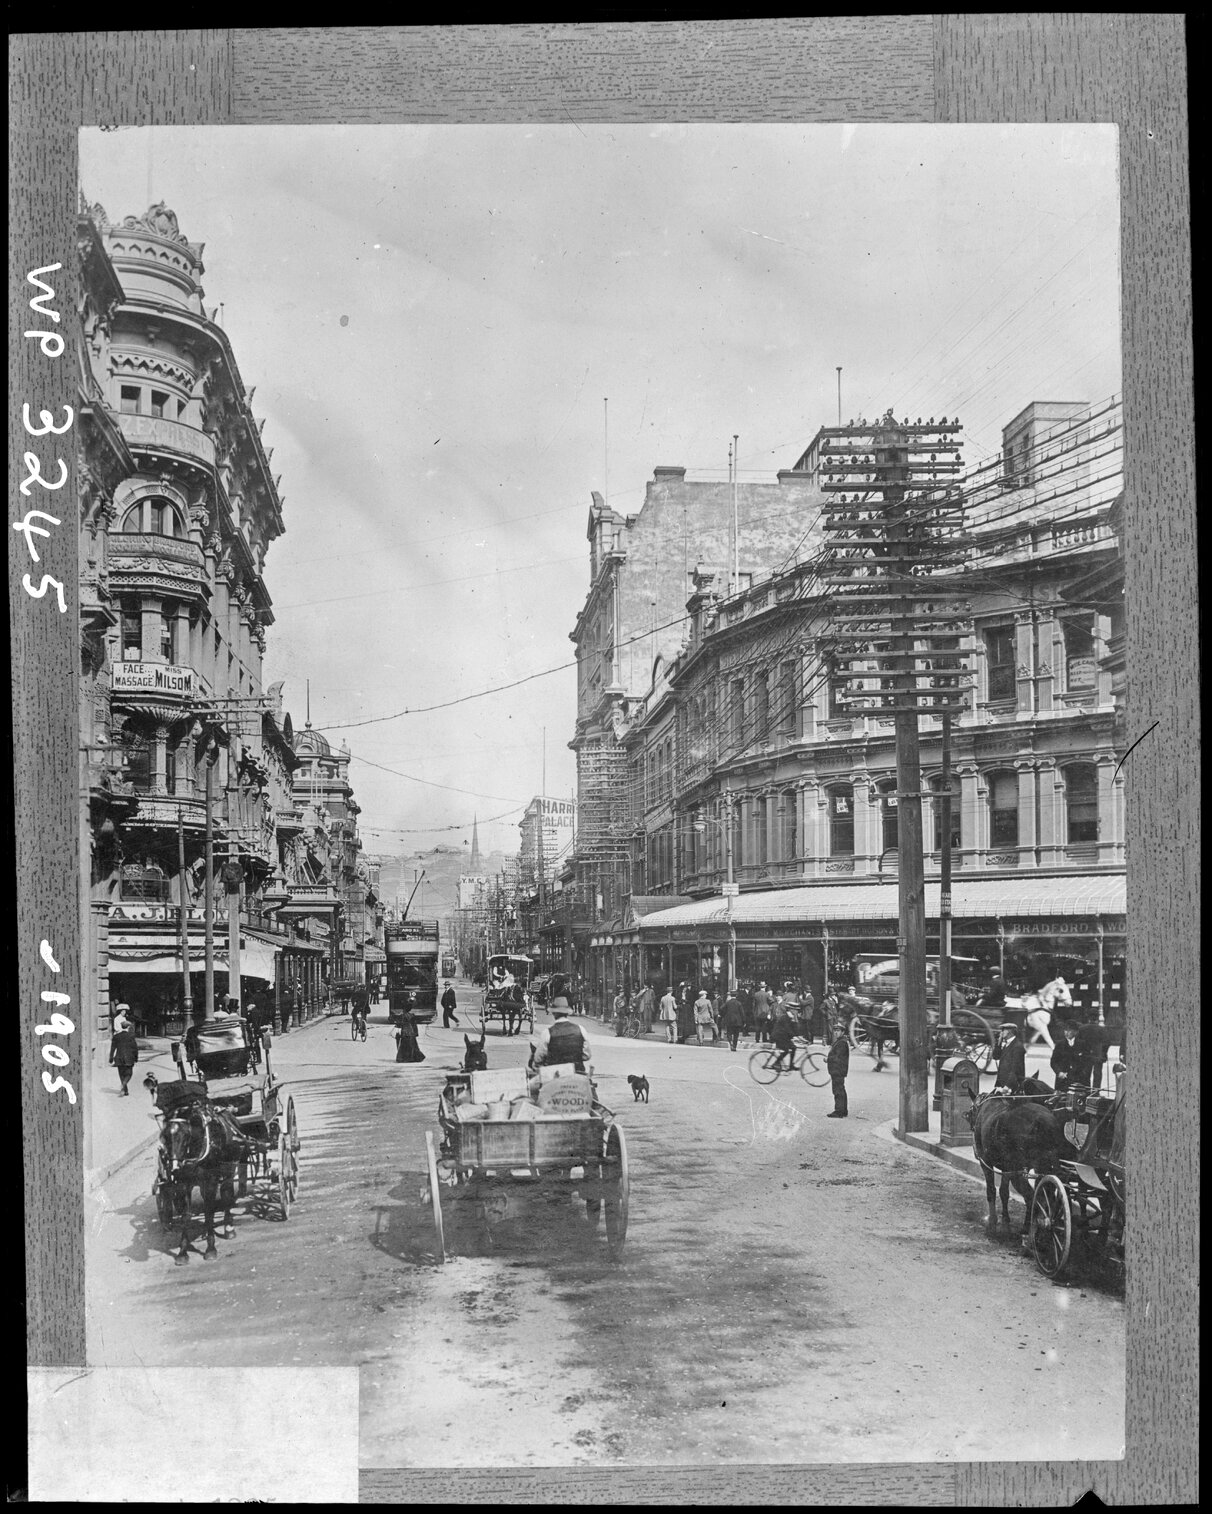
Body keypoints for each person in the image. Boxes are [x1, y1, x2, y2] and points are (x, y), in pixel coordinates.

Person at [531, 1005, 590, 1072]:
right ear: (567, 1013)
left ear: (554, 1014)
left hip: (555, 1075)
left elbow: (538, 1059)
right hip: (577, 1072)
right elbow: (587, 1055)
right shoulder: (581, 1029)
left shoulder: (547, 1033)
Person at [993, 1021, 1027, 1094]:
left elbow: (1015, 1069)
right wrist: (998, 1043)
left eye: (1003, 1030)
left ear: (1009, 1032)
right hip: (1002, 1085)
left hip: (1011, 1087)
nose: (1001, 1033)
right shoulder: (1007, 1044)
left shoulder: (1017, 1046)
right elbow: (995, 1056)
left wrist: (1007, 1086)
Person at [826, 1018, 850, 1117]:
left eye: (838, 1031)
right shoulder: (840, 1041)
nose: (836, 1033)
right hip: (838, 1070)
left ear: (843, 1032)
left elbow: (837, 1057)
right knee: (841, 1089)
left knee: (837, 1090)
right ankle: (843, 1110)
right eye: (835, 1031)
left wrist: (828, 1059)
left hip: (838, 1070)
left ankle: (839, 1111)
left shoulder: (841, 1043)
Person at [109, 1020, 139, 1095]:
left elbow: (113, 1048)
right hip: (129, 1058)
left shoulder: (116, 1036)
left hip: (119, 1058)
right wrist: (136, 1057)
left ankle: (125, 1090)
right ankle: (124, 1084)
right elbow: (135, 1048)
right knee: (129, 1074)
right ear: (128, 1027)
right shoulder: (131, 1036)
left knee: (121, 1074)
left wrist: (111, 1057)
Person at [1050, 1020, 1080, 1092]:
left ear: (1075, 1032)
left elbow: (1085, 1063)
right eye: (1065, 1030)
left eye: (1069, 1030)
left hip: (1077, 1082)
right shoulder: (1059, 1044)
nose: (1066, 1032)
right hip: (1062, 1081)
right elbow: (1053, 1062)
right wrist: (1059, 1072)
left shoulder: (1081, 1044)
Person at [770, 1000, 798, 1073]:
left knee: (793, 1048)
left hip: (783, 1037)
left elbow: (793, 1029)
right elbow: (788, 1029)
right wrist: (794, 1037)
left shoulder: (790, 1017)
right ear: (791, 1009)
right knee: (786, 1050)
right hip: (778, 1036)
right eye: (795, 1010)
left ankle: (791, 1065)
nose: (796, 1011)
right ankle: (776, 1063)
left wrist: (799, 1037)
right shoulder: (785, 1017)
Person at [720, 988, 745, 1052]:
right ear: (736, 996)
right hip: (737, 1021)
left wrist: (723, 1015)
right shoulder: (739, 1003)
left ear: (731, 995)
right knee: (736, 1035)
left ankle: (730, 1042)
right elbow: (742, 1013)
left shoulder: (728, 1003)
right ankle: (734, 1046)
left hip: (729, 1020)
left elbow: (721, 1009)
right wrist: (744, 1021)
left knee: (729, 1033)